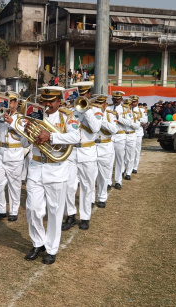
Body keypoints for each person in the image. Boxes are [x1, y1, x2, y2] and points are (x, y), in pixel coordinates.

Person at [21, 86, 79, 264]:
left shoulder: (67, 117)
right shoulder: (35, 115)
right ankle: (38, 242)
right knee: (32, 209)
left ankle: (52, 249)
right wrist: (26, 128)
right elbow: (24, 141)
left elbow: (76, 137)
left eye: (51, 101)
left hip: (56, 168)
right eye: (44, 100)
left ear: (59, 101)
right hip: (36, 166)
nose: (47, 104)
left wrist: (51, 136)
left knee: (54, 212)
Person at [62, 82, 102, 231]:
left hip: (87, 152)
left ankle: (85, 217)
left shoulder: (94, 110)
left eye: (84, 95)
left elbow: (96, 128)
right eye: (79, 96)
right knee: (69, 185)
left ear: (89, 95)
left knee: (87, 186)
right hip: (71, 153)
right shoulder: (68, 111)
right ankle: (71, 215)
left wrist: (86, 110)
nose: (82, 98)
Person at [0, 91, 24, 222]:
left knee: (14, 185)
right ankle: (0, 209)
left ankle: (14, 211)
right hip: (1, 152)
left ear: (16, 103)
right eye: (6, 101)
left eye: (10, 101)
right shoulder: (0, 114)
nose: (8, 104)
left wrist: (12, 122)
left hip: (15, 153)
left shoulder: (21, 117)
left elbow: (24, 133)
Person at [93, 95, 118, 208]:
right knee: (90, 176)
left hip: (105, 146)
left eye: (101, 104)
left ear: (105, 104)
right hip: (92, 146)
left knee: (103, 175)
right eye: (97, 103)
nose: (99, 106)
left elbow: (114, 129)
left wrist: (101, 120)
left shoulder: (110, 115)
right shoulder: (90, 114)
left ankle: (102, 197)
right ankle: (90, 199)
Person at [107, 91, 129, 190]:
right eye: (114, 99)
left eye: (118, 99)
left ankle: (118, 180)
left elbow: (128, 123)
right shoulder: (108, 108)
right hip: (110, 137)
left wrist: (118, 117)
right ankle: (108, 181)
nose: (116, 100)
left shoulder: (125, 109)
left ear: (121, 99)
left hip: (120, 136)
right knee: (109, 160)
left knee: (120, 160)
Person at [131, 96, 148, 174]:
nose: (133, 103)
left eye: (135, 101)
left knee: (137, 151)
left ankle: (135, 167)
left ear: (137, 102)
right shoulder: (127, 109)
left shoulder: (141, 110)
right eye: (132, 101)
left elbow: (145, 120)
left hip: (138, 132)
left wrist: (136, 119)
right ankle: (128, 166)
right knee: (129, 152)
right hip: (129, 132)